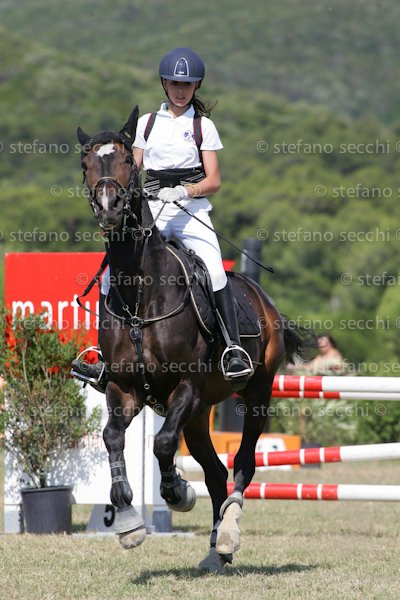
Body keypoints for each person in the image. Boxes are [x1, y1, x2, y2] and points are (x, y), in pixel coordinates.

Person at [72, 48, 253, 389]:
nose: (180, 90)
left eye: (187, 84)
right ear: (164, 84)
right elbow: (133, 167)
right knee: (110, 275)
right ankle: (101, 355)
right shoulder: (147, 123)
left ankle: (232, 349)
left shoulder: (202, 126)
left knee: (215, 270)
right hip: (152, 207)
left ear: (196, 86)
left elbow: (214, 180)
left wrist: (185, 191)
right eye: (174, 83)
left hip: (191, 210)